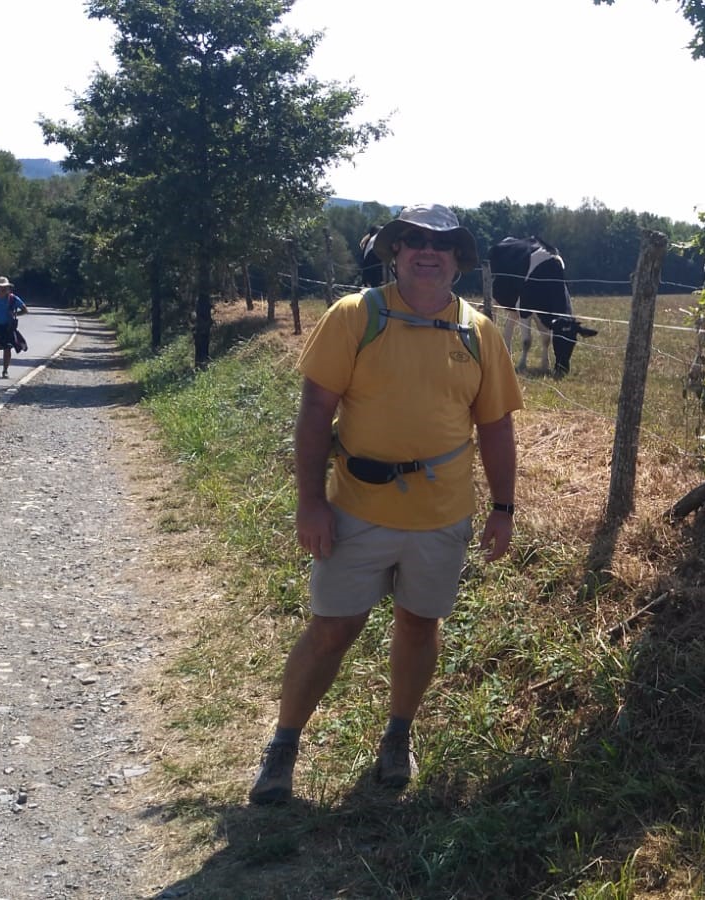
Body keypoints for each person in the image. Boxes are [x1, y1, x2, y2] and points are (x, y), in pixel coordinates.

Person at [250, 203, 522, 805]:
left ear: (457, 259)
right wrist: (310, 503)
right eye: (414, 240)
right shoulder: (356, 316)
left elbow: (497, 428)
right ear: (395, 251)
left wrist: (504, 508)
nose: (428, 252)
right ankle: (283, 745)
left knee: (420, 625)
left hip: (442, 517)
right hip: (355, 511)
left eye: (441, 244)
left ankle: (398, 736)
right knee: (332, 629)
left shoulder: (479, 333)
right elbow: (315, 413)